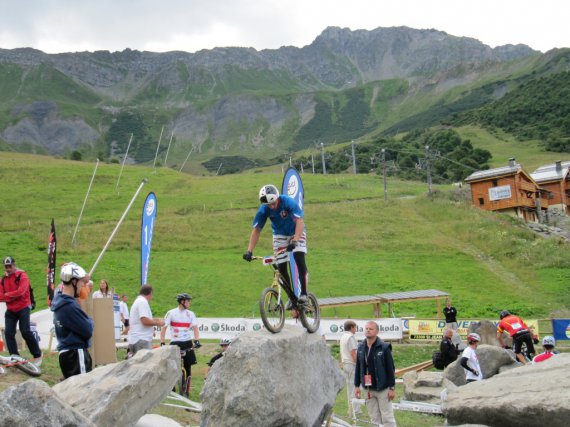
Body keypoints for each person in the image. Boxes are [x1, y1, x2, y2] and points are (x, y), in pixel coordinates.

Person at [243, 184, 309, 308]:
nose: (272, 207)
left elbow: (300, 221)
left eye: (273, 203)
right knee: (282, 267)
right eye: (269, 205)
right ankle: (292, 297)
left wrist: (295, 241)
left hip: (296, 231)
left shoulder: (288, 202)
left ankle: (304, 294)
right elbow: (257, 230)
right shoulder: (264, 210)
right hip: (279, 236)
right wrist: (249, 251)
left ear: (277, 197)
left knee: (299, 259)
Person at [51, 262, 94, 378]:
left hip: (66, 354)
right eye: (81, 283)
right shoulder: (69, 306)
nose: (82, 286)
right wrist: (89, 320)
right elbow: (88, 329)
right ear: (74, 282)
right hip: (76, 354)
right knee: (84, 389)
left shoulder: (59, 299)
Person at [0, 256, 43, 367]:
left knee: (25, 331)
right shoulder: (3, 279)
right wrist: (10, 296)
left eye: (10, 266)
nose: (8, 269)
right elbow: (0, 296)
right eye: (6, 267)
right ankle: (15, 356)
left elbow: (21, 291)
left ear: (14, 265)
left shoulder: (22, 275)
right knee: (9, 333)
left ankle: (38, 355)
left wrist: (7, 295)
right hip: (11, 309)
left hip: (23, 307)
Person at [354, 321, 396, 427]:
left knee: (387, 418)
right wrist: (356, 386)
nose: (368, 330)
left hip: (383, 388)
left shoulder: (384, 347)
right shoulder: (360, 347)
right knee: (374, 418)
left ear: (377, 331)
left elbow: (390, 368)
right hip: (368, 389)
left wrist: (392, 388)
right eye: (366, 328)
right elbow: (358, 367)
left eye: (371, 329)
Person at [160, 293, 200, 394]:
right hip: (175, 342)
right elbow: (164, 328)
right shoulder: (171, 313)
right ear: (182, 302)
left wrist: (197, 340)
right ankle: (172, 388)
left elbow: (195, 328)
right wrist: (162, 342)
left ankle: (186, 389)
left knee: (188, 366)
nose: (189, 303)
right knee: (173, 366)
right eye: (188, 301)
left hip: (187, 342)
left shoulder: (191, 314)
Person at [127, 284, 164, 356]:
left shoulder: (139, 301)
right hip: (141, 340)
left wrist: (155, 320)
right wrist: (157, 323)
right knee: (144, 365)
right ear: (150, 293)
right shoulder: (142, 302)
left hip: (138, 339)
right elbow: (144, 321)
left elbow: (142, 319)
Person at [340, 320, 361, 416]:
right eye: (355, 327)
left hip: (345, 364)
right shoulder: (350, 337)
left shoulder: (343, 337)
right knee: (355, 387)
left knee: (350, 387)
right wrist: (359, 364)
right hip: (351, 364)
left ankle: (350, 409)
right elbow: (353, 353)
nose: (355, 329)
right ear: (352, 327)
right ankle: (355, 410)